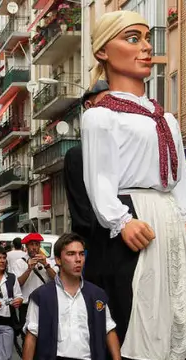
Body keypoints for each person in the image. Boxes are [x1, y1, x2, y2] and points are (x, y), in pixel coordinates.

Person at [73, 10, 186, 360]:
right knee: (136, 302)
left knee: (175, 300)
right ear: (103, 51)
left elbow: (179, 175)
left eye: (145, 38)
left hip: (167, 212)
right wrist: (119, 219)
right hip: (134, 211)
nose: (145, 47)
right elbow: (99, 177)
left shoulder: (165, 117)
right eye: (132, 38)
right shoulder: (101, 115)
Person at [19, 233, 125, 360]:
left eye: (81, 254)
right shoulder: (42, 296)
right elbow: (31, 337)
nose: (78, 259)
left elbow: (109, 329)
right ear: (58, 260)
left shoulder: (96, 295)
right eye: (71, 254)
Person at [64, 80, 110, 242]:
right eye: (107, 101)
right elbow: (81, 210)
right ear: (89, 106)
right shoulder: (77, 156)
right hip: (97, 240)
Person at [10, 233, 57, 338]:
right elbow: (18, 283)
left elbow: (57, 280)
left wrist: (46, 265)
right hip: (26, 305)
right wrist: (29, 269)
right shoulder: (19, 263)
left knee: (46, 335)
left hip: (45, 304)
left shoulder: (49, 261)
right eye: (31, 244)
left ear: (40, 246)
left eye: (36, 244)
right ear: (26, 247)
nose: (34, 247)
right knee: (27, 335)